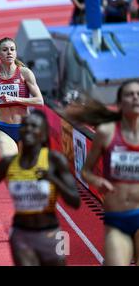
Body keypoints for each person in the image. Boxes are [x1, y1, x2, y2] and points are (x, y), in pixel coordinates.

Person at [0, 110, 81, 266]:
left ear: (43, 133)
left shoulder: (55, 160)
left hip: (54, 233)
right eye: (25, 125)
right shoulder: (8, 163)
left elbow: (75, 201)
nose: (28, 129)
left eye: (34, 126)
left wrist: (53, 179)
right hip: (21, 234)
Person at [65, 79, 139, 266]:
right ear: (120, 103)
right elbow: (86, 171)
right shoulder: (107, 133)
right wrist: (98, 181)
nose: (136, 98)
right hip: (118, 216)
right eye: (130, 95)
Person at [0, 37, 44, 158]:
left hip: (25, 128)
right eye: (5, 50)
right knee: (10, 166)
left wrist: (15, 99)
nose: (9, 52)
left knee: (28, 170)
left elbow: (40, 101)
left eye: (12, 49)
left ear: (16, 52)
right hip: (4, 128)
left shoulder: (25, 73)